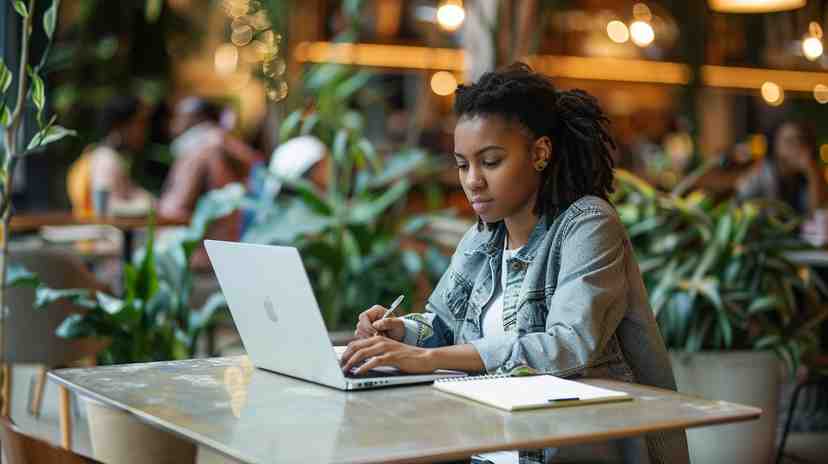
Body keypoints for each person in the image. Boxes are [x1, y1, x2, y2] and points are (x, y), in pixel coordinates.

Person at [339, 63, 689, 464]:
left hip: (573, 451)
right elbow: (442, 322)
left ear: (540, 152)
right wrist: (400, 330)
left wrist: (427, 359)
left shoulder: (587, 224)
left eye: (490, 161)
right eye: (462, 164)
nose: (472, 180)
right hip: (486, 449)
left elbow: (568, 345)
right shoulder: (484, 235)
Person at [159, 97, 262, 270]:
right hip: (230, 247)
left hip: (200, 254)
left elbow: (176, 208)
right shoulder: (231, 148)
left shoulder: (200, 151)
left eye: (179, 117)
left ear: (198, 119)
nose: (173, 124)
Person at [67, 96, 153, 217]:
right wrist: (147, 207)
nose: (144, 130)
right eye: (140, 123)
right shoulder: (106, 159)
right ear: (120, 125)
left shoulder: (110, 156)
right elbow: (103, 207)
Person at [737, 120, 827, 216]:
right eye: (789, 141)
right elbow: (740, 205)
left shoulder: (805, 174)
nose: (797, 145)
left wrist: (812, 172)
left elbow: (817, 213)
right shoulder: (760, 172)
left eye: (800, 139)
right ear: (775, 145)